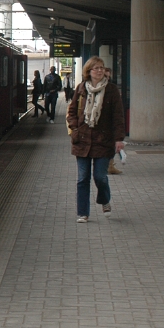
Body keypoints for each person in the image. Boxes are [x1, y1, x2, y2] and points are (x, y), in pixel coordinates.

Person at [67, 56, 126, 223]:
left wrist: (119, 139)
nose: (99, 71)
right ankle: (83, 213)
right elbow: (71, 112)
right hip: (83, 140)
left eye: (101, 67)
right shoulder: (81, 89)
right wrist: (75, 129)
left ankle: (105, 200)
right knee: (82, 178)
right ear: (89, 71)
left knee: (100, 177)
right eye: (96, 68)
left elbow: (118, 116)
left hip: (103, 140)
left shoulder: (112, 90)